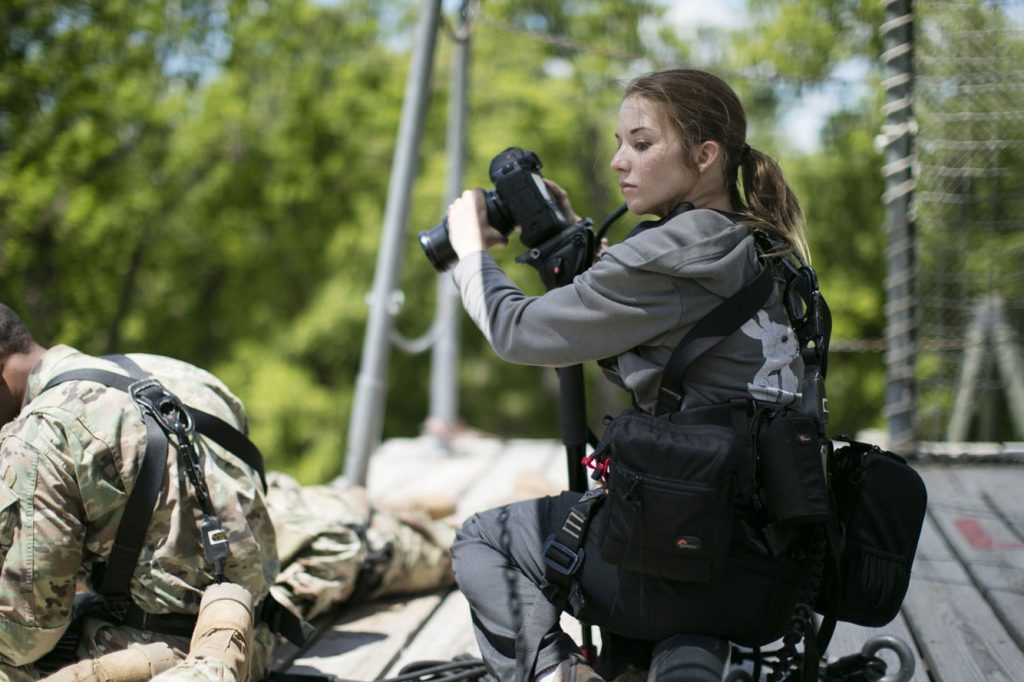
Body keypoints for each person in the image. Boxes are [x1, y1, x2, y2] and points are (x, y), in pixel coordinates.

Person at [444, 69, 815, 681]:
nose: (620, 161)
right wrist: (564, 235)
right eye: (619, 143)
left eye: (642, 144)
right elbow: (639, 313)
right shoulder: (758, 243)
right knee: (667, 595)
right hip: (768, 573)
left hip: (679, 554)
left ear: (704, 156)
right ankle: (685, 659)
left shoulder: (674, 250)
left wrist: (468, 255)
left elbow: (520, 332)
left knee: (484, 539)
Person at [0, 305, 279, 682]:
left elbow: (28, 634)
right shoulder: (181, 373)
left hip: (156, 656)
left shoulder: (37, 435)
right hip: (258, 638)